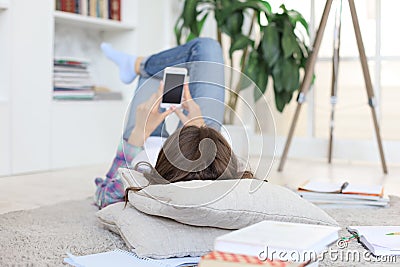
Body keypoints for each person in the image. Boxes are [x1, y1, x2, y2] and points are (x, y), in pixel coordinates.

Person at [94, 38, 253, 209]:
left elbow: (106, 198)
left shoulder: (144, 178)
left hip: (145, 143)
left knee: (156, 73)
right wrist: (200, 130)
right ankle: (138, 64)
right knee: (207, 48)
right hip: (199, 147)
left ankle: (138, 65)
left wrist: (139, 133)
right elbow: (225, 168)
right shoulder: (222, 185)